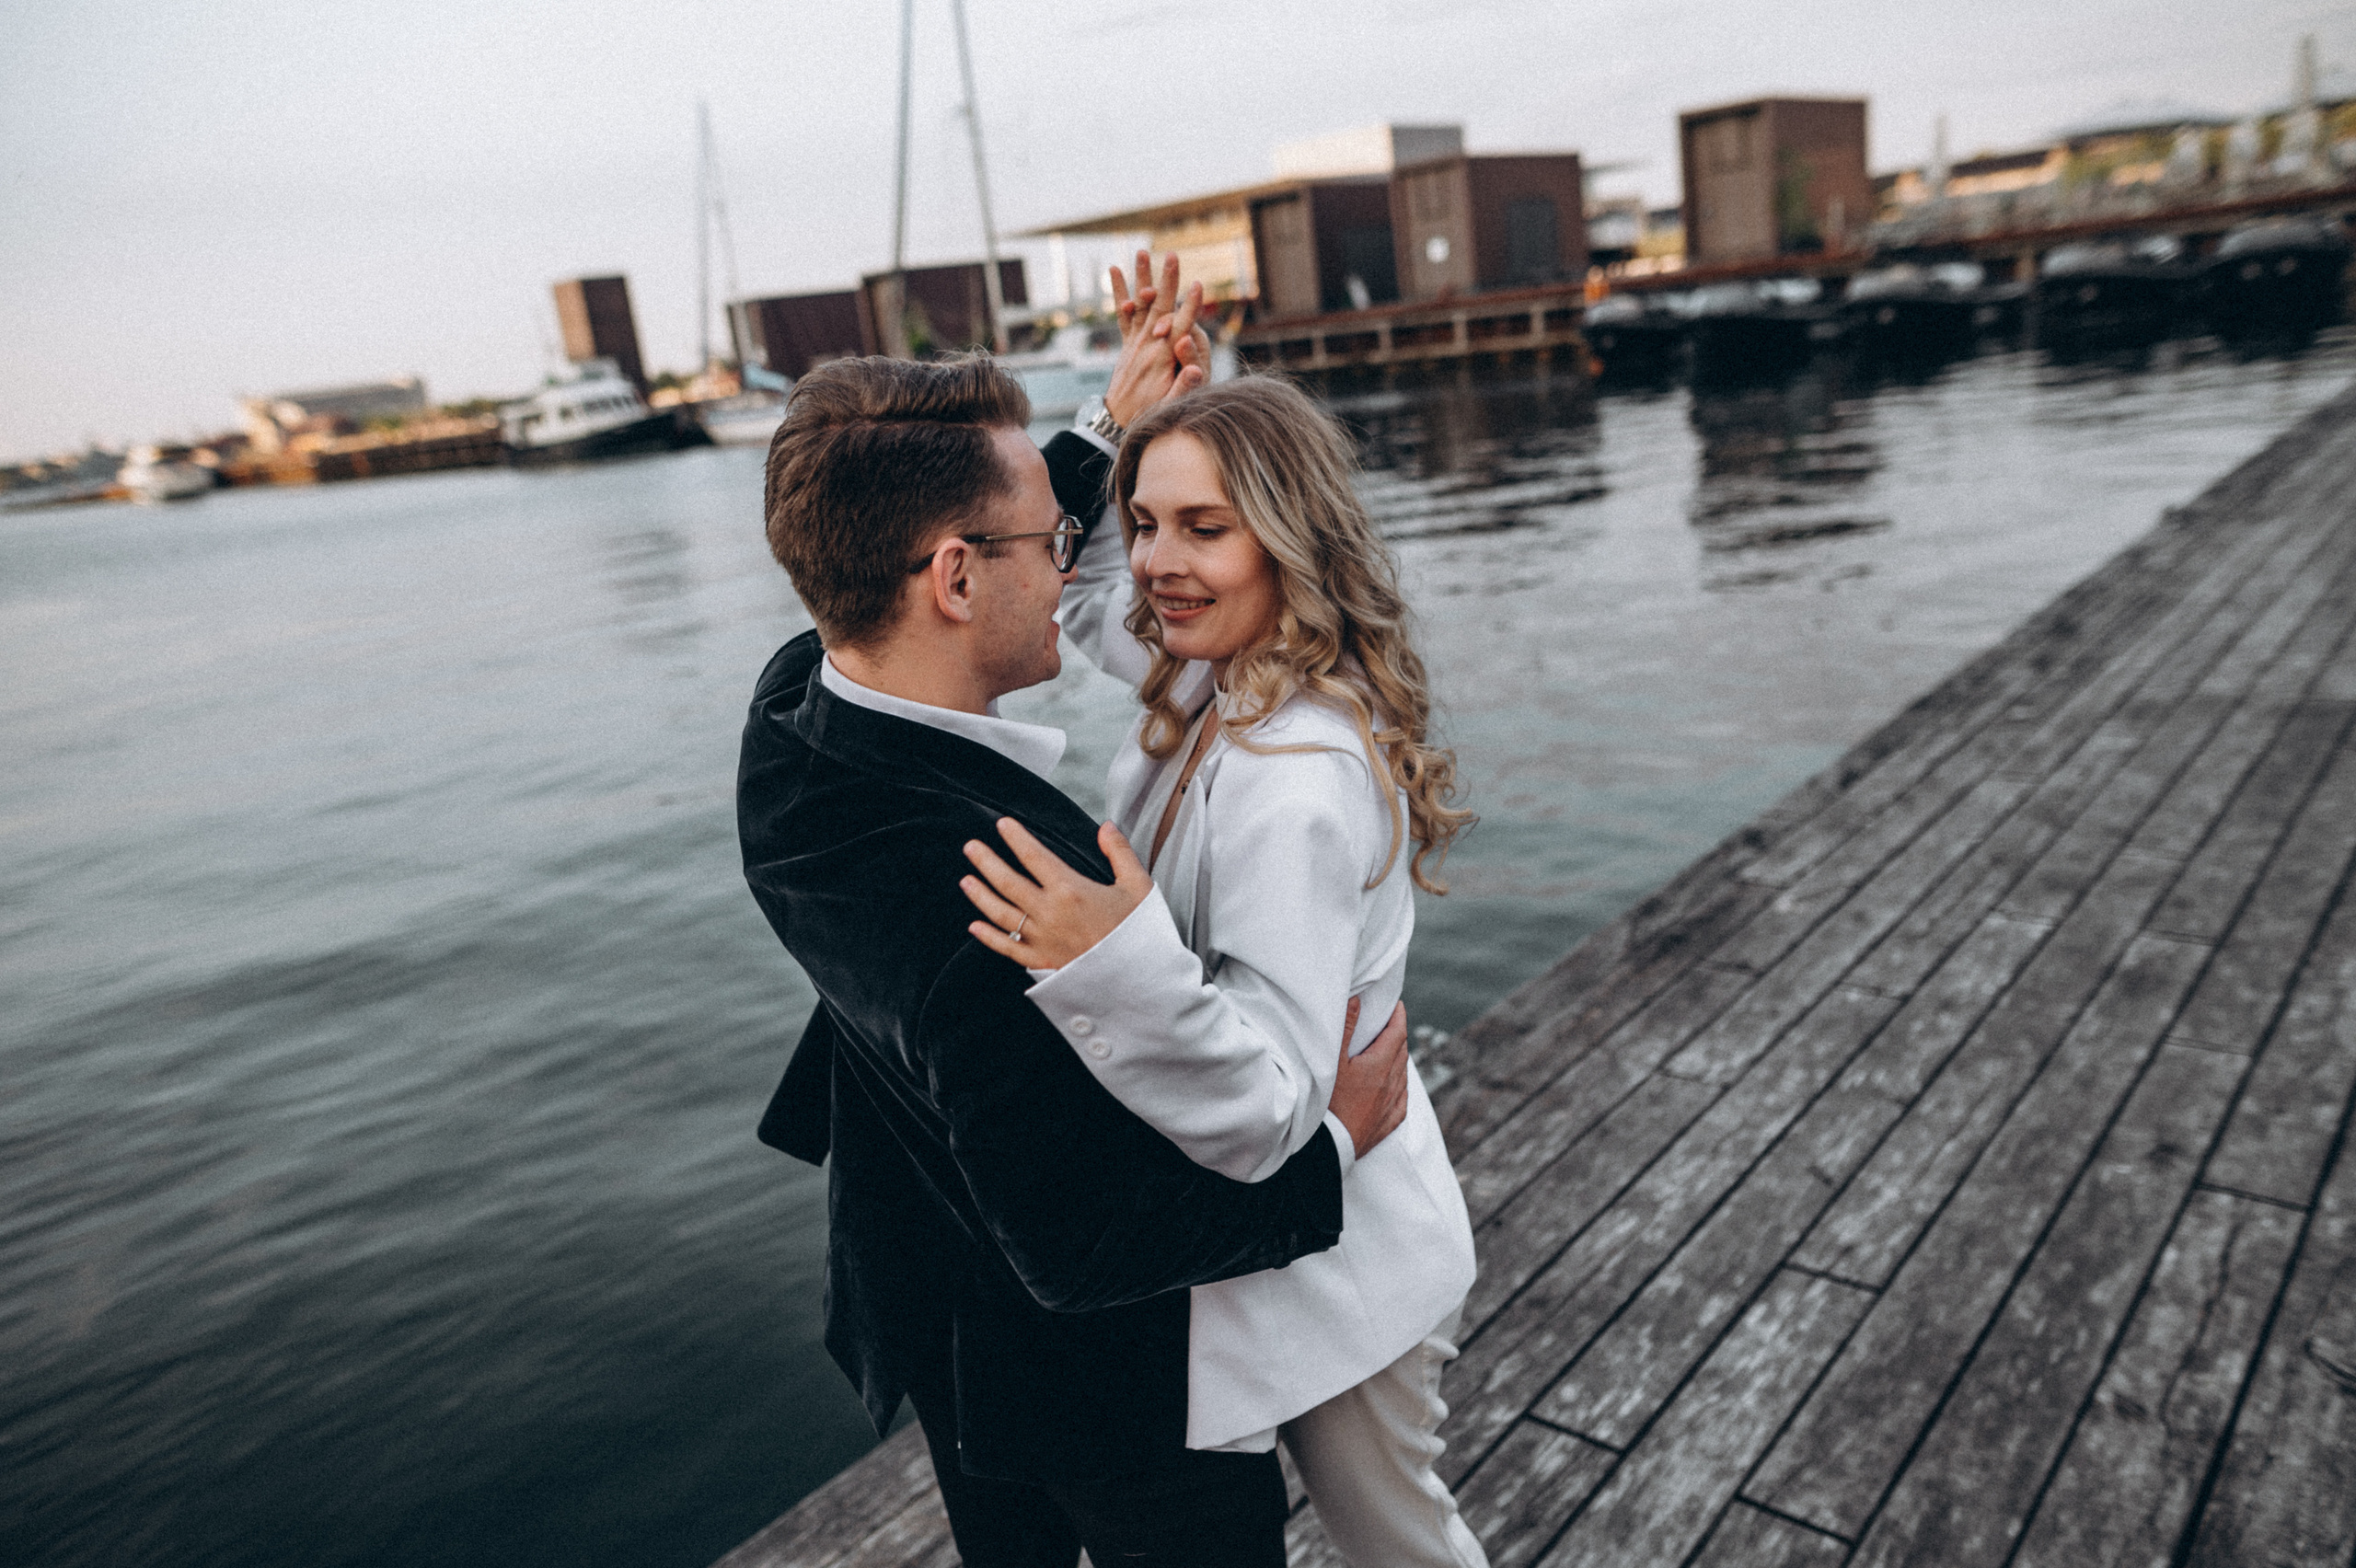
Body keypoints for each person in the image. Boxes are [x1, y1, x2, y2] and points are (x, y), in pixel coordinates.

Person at [736, 339, 1418, 1568]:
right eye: (1058, 540)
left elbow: (912, 537)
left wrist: (1103, 430)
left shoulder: (793, 723)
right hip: (1098, 1381)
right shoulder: (1016, 891)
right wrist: (1338, 1148)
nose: (1085, 563)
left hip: (918, 1282)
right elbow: (1086, 1241)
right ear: (955, 576)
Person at [955, 336, 1487, 1564]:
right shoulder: (1220, 673)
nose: (1157, 560)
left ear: (1288, 542)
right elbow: (1083, 594)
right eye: (1146, 521)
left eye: (1205, 528)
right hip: (1276, 1249)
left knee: (1398, 1540)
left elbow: (1276, 1100)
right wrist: (1114, 417)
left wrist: (1104, 955)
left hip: (1351, 1256)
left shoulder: (1295, 780)